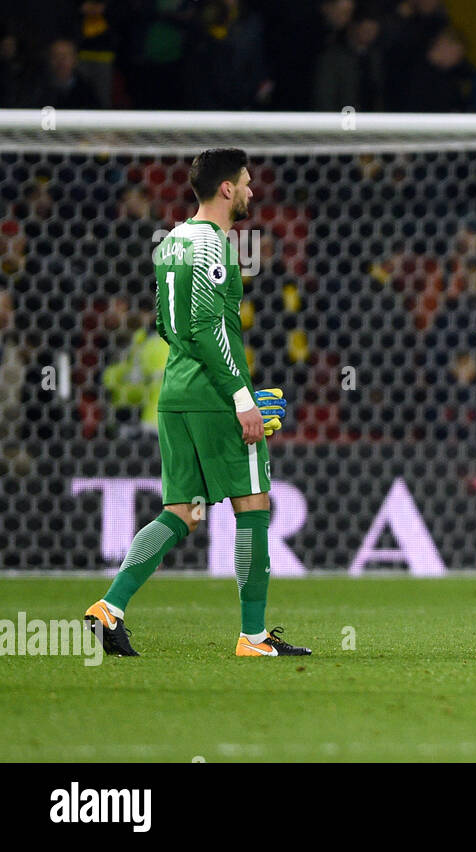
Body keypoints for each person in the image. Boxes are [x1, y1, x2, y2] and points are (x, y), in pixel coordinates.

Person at [83, 148, 309, 658]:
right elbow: (209, 330)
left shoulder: (170, 243)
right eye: (247, 183)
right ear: (226, 188)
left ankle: (109, 608)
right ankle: (253, 637)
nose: (252, 191)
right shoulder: (215, 246)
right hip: (213, 393)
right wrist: (240, 397)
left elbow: (167, 325)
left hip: (175, 390)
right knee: (253, 504)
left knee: (182, 511)